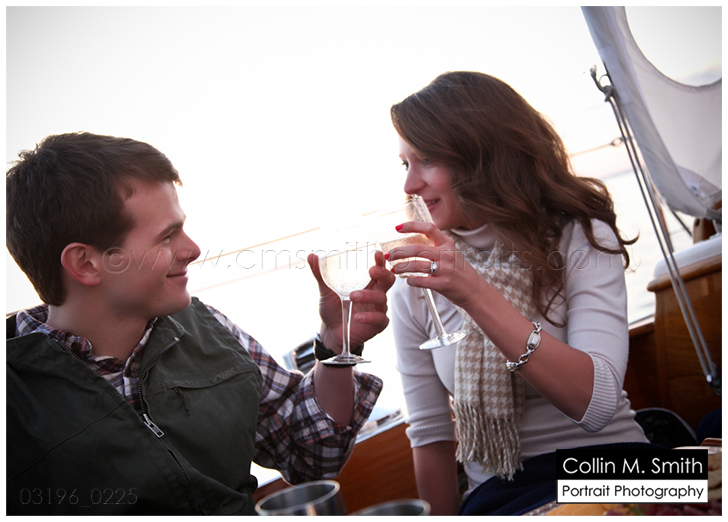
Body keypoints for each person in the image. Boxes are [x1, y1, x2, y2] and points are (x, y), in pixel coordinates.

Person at [6, 132, 395, 515]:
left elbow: (309, 456)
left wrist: (336, 344)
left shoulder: (207, 327)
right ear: (86, 264)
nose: (192, 250)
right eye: (166, 236)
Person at [384, 71, 652, 515]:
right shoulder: (415, 283)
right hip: (506, 495)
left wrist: (473, 292)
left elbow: (598, 403)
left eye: (426, 160)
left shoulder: (579, 237)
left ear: (482, 155)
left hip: (620, 468)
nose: (410, 185)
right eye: (404, 164)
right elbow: (431, 436)